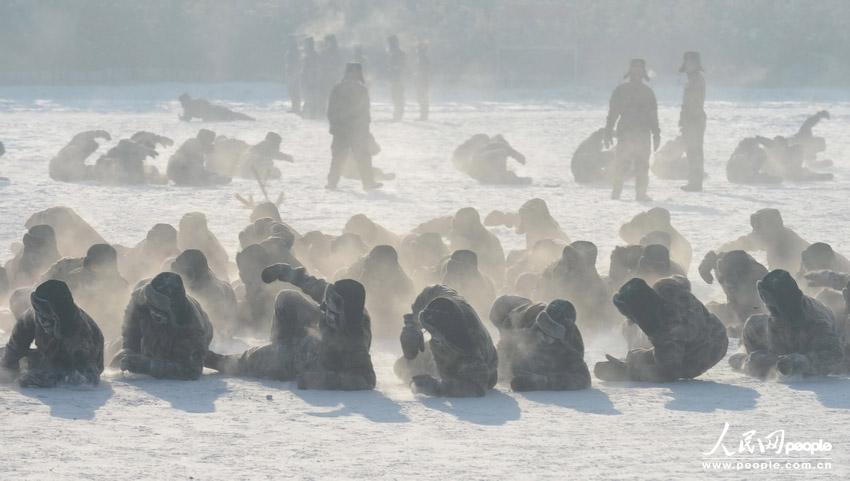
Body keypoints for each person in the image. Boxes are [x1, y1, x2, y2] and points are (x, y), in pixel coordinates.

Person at [261, 263, 376, 390]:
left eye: (330, 309)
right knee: (286, 298)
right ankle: (279, 346)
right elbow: (312, 284)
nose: (325, 307)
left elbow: (365, 379)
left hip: (313, 356)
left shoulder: (355, 342)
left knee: (246, 362)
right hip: (318, 334)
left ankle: (278, 358)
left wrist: (318, 380)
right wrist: (285, 272)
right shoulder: (337, 301)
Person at [595, 276, 728, 382]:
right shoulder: (665, 290)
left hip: (707, 353)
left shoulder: (663, 330)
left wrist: (627, 373)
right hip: (712, 330)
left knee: (663, 359)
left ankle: (634, 362)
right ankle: (638, 358)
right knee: (638, 355)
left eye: (633, 317)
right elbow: (678, 280)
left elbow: (668, 373)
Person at [729, 270, 843, 378]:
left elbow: (834, 355)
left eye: (770, 304)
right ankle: (749, 360)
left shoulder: (816, 322)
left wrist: (801, 362)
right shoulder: (780, 311)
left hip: (807, 348)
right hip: (783, 346)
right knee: (752, 328)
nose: (766, 305)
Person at [1, 280, 104, 387]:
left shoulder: (79, 331)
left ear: (59, 311)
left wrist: (44, 378)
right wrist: (7, 370)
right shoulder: (32, 315)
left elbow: (87, 377)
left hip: (72, 364)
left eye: (46, 312)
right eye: (38, 310)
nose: (42, 319)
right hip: (48, 356)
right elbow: (15, 347)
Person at [111, 272, 213, 380]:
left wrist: (149, 366)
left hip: (187, 339)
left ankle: (221, 361)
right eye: (152, 308)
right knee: (119, 354)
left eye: (158, 313)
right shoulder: (143, 296)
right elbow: (130, 328)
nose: (153, 314)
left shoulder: (191, 324)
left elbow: (191, 370)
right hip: (161, 334)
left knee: (176, 356)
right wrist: (129, 350)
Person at [399, 287, 497, 397]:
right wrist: (413, 324)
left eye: (433, 332)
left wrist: (438, 387)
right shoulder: (442, 299)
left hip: (475, 369)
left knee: (412, 371)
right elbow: (432, 290)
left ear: (445, 334)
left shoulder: (468, 345)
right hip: (446, 351)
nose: (430, 334)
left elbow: (476, 387)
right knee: (401, 366)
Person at [489, 296, 590, 391]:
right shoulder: (521, 325)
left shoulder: (572, 344)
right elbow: (507, 359)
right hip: (514, 311)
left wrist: (543, 381)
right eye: (542, 329)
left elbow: (583, 378)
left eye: (550, 334)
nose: (543, 336)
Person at [604, 59, 660, 201]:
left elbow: (653, 115)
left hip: (641, 133)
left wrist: (656, 133)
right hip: (628, 133)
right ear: (631, 72)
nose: (636, 73)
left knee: (639, 165)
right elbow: (613, 113)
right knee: (623, 164)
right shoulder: (622, 91)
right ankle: (618, 193)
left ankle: (638, 194)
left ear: (642, 73)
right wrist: (608, 130)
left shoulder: (646, 92)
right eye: (634, 70)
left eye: (638, 70)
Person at [326, 62, 381, 190]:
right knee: (363, 157)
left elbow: (331, 110)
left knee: (338, 157)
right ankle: (368, 183)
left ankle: (332, 183)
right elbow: (364, 112)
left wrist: (334, 126)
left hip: (340, 129)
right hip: (357, 130)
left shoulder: (337, 88)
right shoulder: (361, 89)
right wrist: (365, 131)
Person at [679, 51, 706, 192]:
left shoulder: (697, 80)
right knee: (692, 151)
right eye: (688, 62)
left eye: (692, 62)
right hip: (691, 119)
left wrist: (688, 119)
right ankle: (694, 181)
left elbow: (694, 103)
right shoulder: (691, 79)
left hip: (694, 119)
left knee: (694, 151)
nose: (689, 65)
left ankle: (695, 182)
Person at [178, 93, 255, 122]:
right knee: (234, 116)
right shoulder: (187, 108)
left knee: (234, 115)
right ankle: (250, 119)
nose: (183, 103)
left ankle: (251, 119)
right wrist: (182, 118)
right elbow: (187, 118)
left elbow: (207, 107)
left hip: (217, 111)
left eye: (184, 101)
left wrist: (207, 117)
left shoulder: (198, 102)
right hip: (215, 114)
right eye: (182, 101)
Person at [300, 37, 322, 119]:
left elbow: (314, 69)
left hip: (311, 80)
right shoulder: (308, 54)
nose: (304, 46)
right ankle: (308, 113)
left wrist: (312, 80)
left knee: (311, 98)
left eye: (306, 44)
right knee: (308, 97)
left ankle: (312, 114)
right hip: (308, 79)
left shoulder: (313, 55)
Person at [387, 35, 407, 122]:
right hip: (395, 78)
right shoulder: (394, 53)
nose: (389, 46)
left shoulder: (399, 53)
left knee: (398, 96)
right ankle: (397, 114)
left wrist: (395, 69)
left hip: (398, 78)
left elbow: (402, 66)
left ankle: (398, 115)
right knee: (395, 96)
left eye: (390, 43)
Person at [285, 36, 302, 115]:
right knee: (292, 90)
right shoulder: (292, 50)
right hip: (291, 73)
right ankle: (295, 106)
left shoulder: (294, 51)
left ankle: (296, 107)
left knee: (294, 90)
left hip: (294, 73)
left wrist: (293, 71)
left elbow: (295, 62)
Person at [414, 41, 430, 121]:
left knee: (422, 97)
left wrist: (419, 77)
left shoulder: (422, 58)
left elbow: (423, 70)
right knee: (422, 97)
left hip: (422, 81)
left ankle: (424, 116)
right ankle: (423, 115)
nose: (416, 50)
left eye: (417, 48)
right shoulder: (421, 57)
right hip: (422, 80)